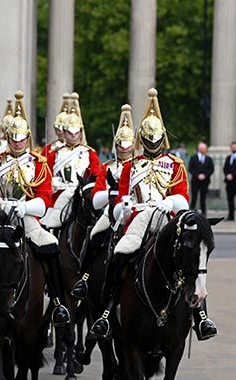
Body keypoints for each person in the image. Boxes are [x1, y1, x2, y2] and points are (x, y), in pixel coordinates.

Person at [90, 88, 216, 342]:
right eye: (148, 139)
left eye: (156, 138)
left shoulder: (175, 165)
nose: (152, 143)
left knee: (189, 259)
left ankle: (200, 317)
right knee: (120, 254)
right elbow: (120, 203)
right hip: (138, 219)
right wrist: (123, 207)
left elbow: (182, 198)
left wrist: (165, 202)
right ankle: (106, 311)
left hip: (166, 218)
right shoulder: (130, 166)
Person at [0, 90, 70, 327]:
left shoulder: (38, 164)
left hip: (25, 216)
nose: (17, 142)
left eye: (21, 138)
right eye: (13, 138)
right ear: (7, 138)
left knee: (50, 245)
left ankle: (58, 301)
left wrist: (25, 206)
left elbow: (44, 199)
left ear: (27, 138)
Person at [71, 104, 135, 300]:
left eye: (127, 145)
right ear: (115, 146)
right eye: (120, 145)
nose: (123, 149)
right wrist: (111, 194)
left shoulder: (139, 165)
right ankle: (85, 276)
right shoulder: (107, 167)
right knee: (94, 235)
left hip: (136, 209)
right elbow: (97, 195)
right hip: (112, 210)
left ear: (133, 145)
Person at [41, 92, 102, 230]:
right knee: (47, 226)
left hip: (81, 195)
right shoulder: (54, 153)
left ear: (81, 133)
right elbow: (44, 176)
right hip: (58, 196)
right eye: (70, 133)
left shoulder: (89, 153)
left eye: (76, 133)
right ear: (64, 132)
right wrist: (52, 183)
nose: (74, 136)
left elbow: (96, 176)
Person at [187, 142, 213, 214]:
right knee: (194, 197)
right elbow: (190, 168)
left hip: (205, 181)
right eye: (204, 148)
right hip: (195, 180)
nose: (205, 150)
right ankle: (192, 210)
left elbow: (211, 169)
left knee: (203, 197)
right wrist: (197, 175)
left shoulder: (208, 159)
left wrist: (205, 175)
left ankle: (203, 212)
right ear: (200, 149)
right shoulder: (193, 158)